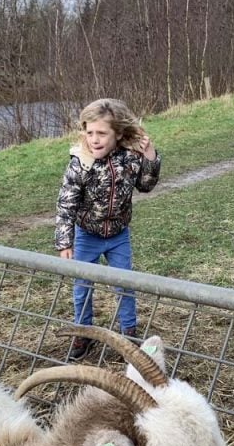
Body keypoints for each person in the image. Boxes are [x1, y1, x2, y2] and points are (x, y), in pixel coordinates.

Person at [55, 98, 160, 361]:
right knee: (82, 286)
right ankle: (83, 334)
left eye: (102, 133)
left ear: (119, 134)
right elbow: (66, 203)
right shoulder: (81, 163)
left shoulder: (131, 158)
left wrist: (150, 157)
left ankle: (129, 335)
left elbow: (146, 186)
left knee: (124, 284)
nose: (95, 139)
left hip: (118, 236)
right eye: (89, 132)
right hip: (86, 236)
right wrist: (64, 242)